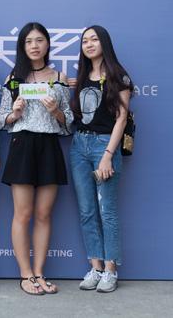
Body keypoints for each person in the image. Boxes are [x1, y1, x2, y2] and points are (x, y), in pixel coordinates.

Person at [0, 22, 73, 295]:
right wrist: (15, 113)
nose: (34, 45)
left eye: (39, 40)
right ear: (22, 45)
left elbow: (68, 123)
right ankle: (25, 275)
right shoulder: (13, 78)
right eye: (29, 41)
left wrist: (56, 111)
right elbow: (1, 119)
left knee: (43, 214)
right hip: (22, 145)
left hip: (49, 146)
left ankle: (39, 272)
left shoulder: (59, 78)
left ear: (47, 44)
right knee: (23, 213)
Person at [69, 25, 133, 293]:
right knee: (86, 211)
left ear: (104, 43)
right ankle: (95, 267)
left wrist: (107, 155)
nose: (89, 44)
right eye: (85, 41)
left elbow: (121, 118)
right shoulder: (82, 76)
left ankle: (110, 270)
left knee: (107, 210)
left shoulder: (119, 76)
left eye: (94, 39)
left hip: (104, 146)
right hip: (79, 146)